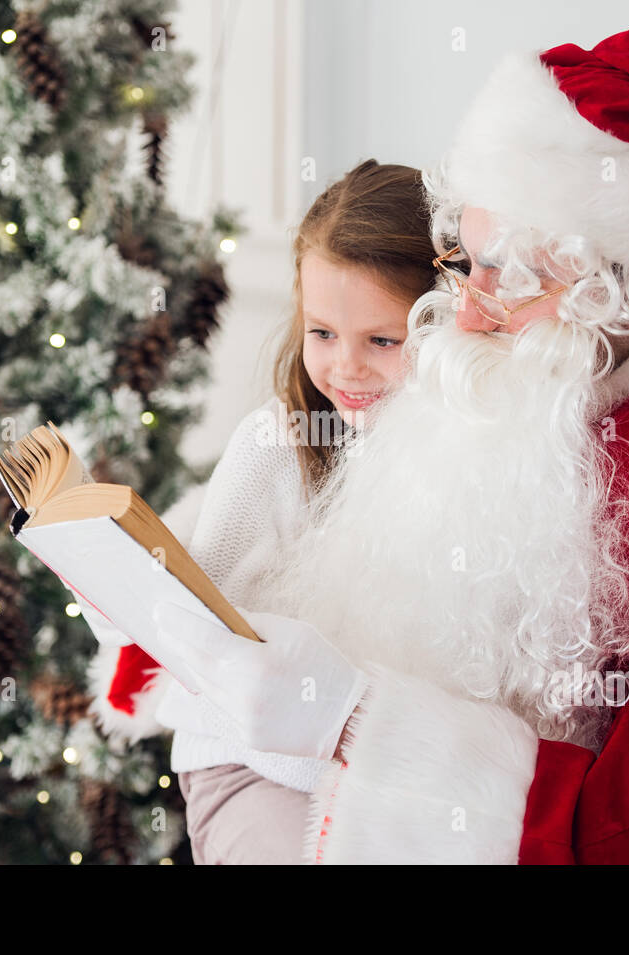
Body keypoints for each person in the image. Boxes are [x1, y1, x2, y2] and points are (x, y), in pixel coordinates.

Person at [142, 30, 629, 863]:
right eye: (466, 264)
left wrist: (354, 721)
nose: (464, 313)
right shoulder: (552, 391)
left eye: (516, 277)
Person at [72, 159, 438, 863]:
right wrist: (113, 585)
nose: (346, 368)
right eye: (323, 333)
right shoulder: (276, 444)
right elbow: (199, 598)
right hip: (249, 759)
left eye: (382, 341)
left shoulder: (461, 458)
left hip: (381, 774)